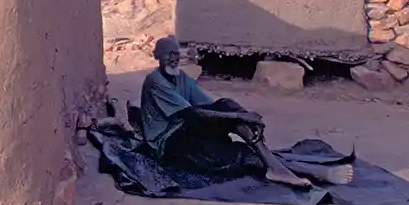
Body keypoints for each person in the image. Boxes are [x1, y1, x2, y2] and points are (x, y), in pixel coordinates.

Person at [140, 37, 352, 188]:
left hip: (185, 129)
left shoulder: (181, 77)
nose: (174, 58)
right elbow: (190, 115)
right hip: (166, 142)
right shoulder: (155, 82)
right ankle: (310, 172)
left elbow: (212, 105)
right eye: (169, 54)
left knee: (228, 105)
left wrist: (244, 116)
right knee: (241, 154)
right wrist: (239, 118)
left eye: (176, 53)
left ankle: (275, 165)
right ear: (157, 56)